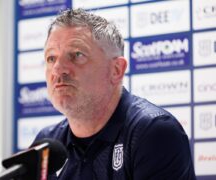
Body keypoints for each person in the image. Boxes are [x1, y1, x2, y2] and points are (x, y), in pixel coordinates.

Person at [32, 8, 196, 180]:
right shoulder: (47, 141)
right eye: (51, 58)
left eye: (77, 55)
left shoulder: (153, 132)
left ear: (116, 70)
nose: (58, 69)